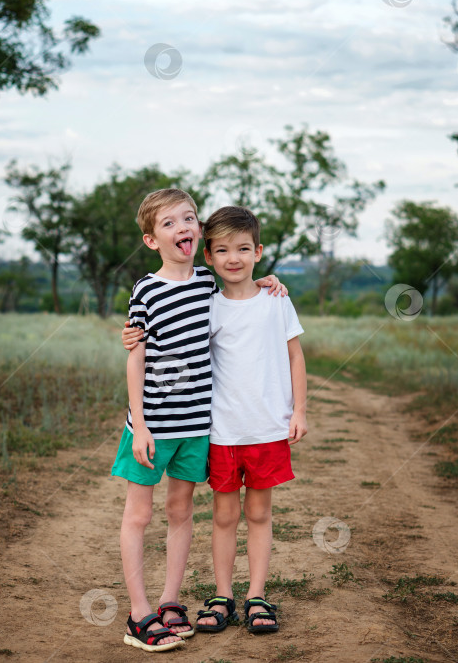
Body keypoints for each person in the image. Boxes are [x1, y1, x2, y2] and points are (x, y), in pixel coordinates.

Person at [112, 188, 285, 652]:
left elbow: (240, 288)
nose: (181, 228)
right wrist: (141, 424)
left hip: (195, 429)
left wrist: (270, 281)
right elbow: (136, 356)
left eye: (188, 218)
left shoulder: (209, 284)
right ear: (152, 241)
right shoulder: (146, 289)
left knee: (180, 512)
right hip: (151, 428)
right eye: (168, 224)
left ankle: (170, 602)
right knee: (140, 514)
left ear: (199, 233)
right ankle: (138, 613)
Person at [194, 206, 308, 635]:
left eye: (243, 248)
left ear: (258, 252)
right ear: (208, 256)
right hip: (223, 431)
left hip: (267, 429)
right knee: (224, 517)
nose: (233, 258)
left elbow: (295, 356)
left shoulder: (276, 300)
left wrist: (299, 410)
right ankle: (223, 596)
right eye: (222, 250)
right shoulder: (208, 307)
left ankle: (257, 596)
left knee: (259, 513)